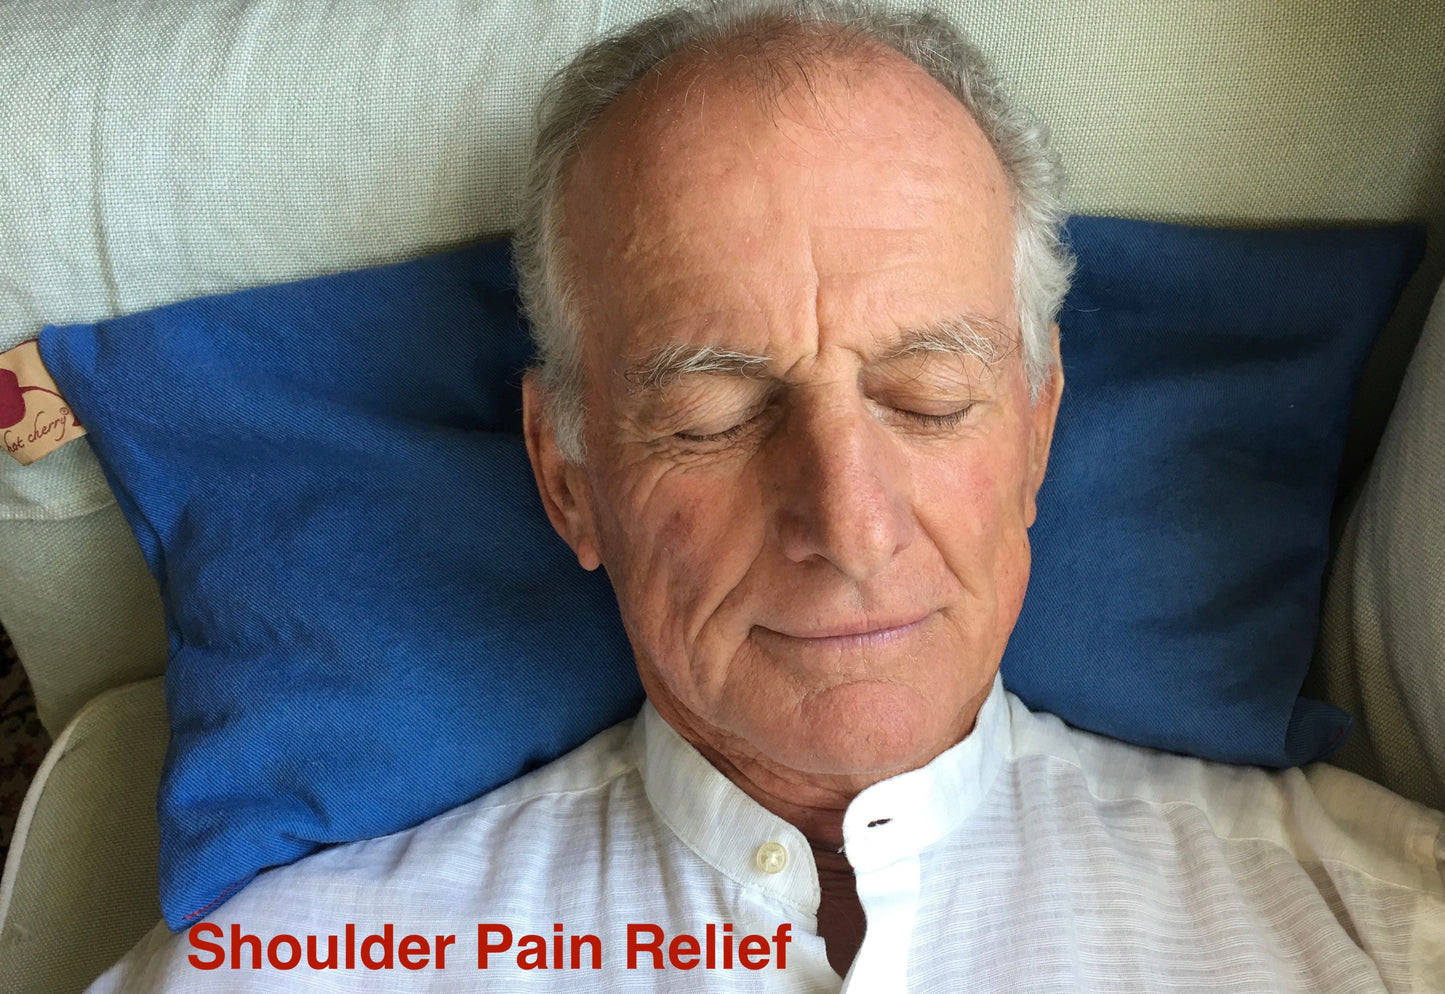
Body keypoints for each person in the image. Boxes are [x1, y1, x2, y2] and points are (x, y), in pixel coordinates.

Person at [88, 2, 1444, 990]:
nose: (849, 528)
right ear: (568, 476)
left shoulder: (1386, 930)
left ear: (1037, 432)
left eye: (929, 397)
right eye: (714, 419)